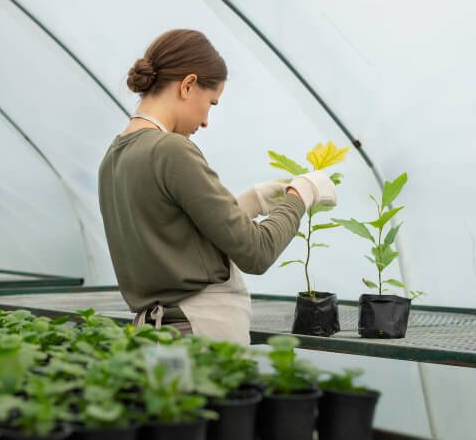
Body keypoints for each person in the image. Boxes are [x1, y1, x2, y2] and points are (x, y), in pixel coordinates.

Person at [97, 29, 337, 345]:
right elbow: (257, 252)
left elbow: (172, 234)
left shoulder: (113, 158)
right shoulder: (171, 149)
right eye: (211, 102)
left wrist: (250, 202)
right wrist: (301, 195)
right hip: (201, 336)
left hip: (151, 336)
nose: (207, 120)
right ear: (188, 85)